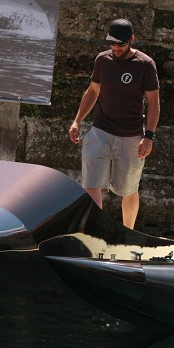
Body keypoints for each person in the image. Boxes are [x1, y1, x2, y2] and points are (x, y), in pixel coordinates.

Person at [68, 18, 160, 229]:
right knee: (92, 184)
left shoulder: (145, 65)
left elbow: (154, 103)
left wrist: (149, 136)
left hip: (131, 136)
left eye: (121, 44)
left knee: (128, 189)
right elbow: (92, 91)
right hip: (99, 132)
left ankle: (127, 234)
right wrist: (76, 121)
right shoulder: (102, 60)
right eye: (112, 43)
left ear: (132, 40)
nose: (116, 48)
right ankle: (95, 233)